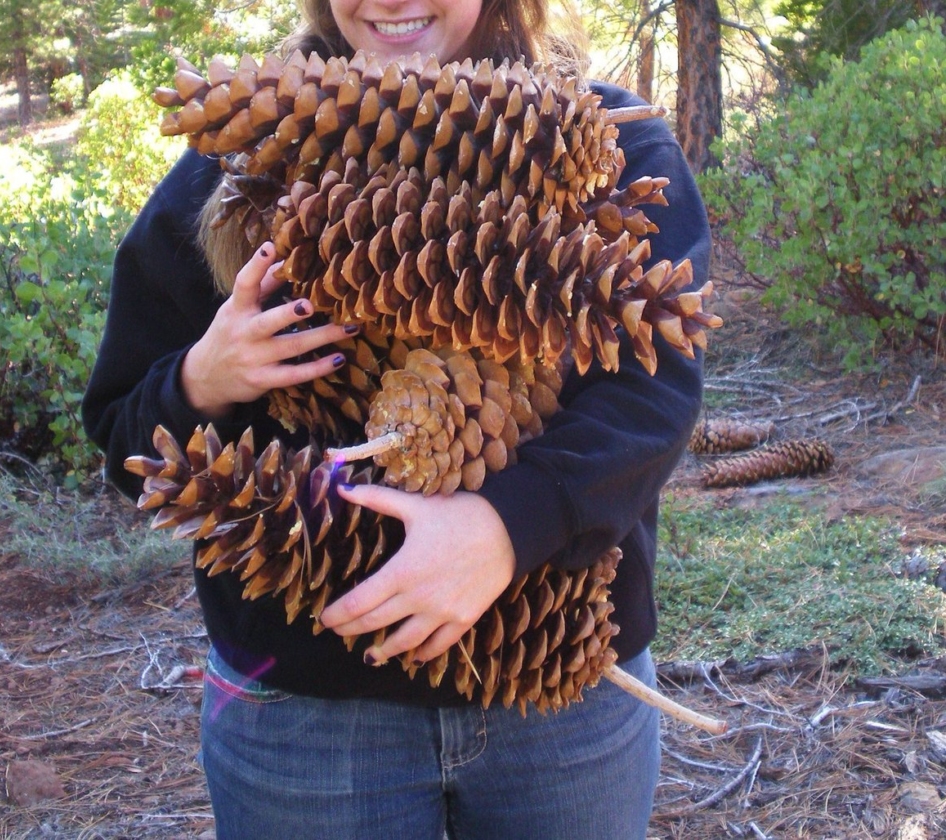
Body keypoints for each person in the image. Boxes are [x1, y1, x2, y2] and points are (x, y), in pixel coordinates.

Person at [82, 2, 708, 837]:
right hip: (307, 719)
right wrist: (204, 376)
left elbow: (651, 393)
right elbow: (125, 430)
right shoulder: (243, 156)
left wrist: (506, 527)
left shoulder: (605, 145)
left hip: (562, 698)